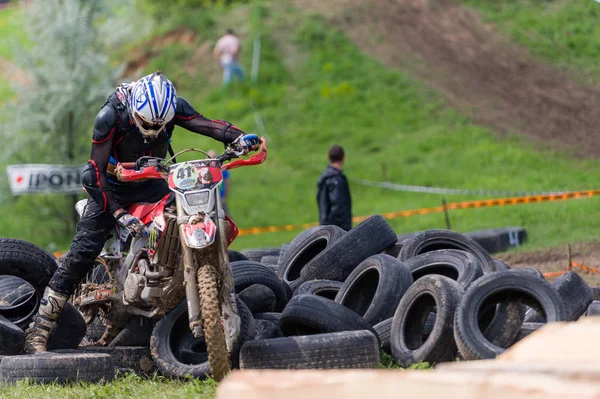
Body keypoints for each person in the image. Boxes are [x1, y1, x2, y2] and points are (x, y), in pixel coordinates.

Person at [24, 71, 260, 353]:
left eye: (161, 125)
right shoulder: (110, 116)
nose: (154, 130)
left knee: (181, 213)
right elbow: (95, 170)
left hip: (151, 179)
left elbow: (205, 125)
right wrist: (118, 212)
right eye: (147, 123)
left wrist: (239, 136)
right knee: (83, 252)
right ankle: (39, 329)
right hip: (110, 185)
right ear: (135, 110)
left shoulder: (174, 107)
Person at [317, 145, 352, 231]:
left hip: (325, 227)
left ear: (329, 158)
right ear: (343, 158)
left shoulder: (324, 178)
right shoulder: (336, 179)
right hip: (337, 229)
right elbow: (338, 206)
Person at [208, 149, 231, 215]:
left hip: (221, 197)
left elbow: (227, 183)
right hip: (210, 198)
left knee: (225, 214)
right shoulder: (205, 171)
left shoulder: (222, 170)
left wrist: (225, 195)